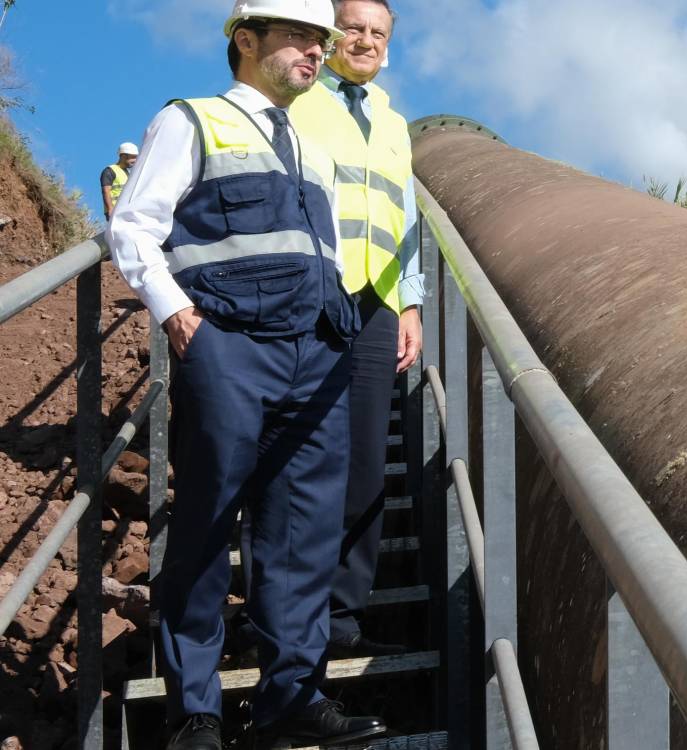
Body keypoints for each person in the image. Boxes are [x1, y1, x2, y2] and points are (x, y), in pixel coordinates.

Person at [106, 1, 385, 747]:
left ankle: (291, 698)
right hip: (228, 344)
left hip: (315, 350)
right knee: (206, 518)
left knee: (303, 535)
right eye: (299, 37)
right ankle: (195, 709)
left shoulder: (310, 148)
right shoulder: (193, 120)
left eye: (320, 43)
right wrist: (175, 314)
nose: (316, 53)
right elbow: (134, 224)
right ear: (246, 40)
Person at [289, 0, 423, 658]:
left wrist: (412, 305)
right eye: (354, 27)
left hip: (376, 302)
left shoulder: (395, 123)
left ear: (387, 47)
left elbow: (410, 221)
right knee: (297, 455)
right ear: (331, 33)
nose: (364, 40)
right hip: (306, 295)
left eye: (377, 32)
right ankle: (288, 619)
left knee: (367, 462)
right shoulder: (298, 96)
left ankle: (341, 621)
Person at [100, 142, 138, 221]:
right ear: (123, 156)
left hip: (124, 210)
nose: (135, 160)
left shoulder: (127, 173)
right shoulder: (109, 170)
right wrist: (110, 209)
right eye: (133, 157)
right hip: (114, 211)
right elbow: (106, 191)